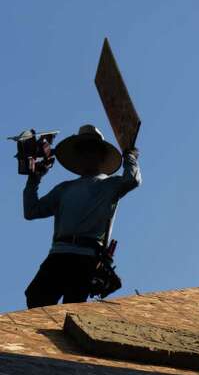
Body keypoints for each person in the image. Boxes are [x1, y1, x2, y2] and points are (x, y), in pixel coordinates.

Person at [22, 124, 140, 308]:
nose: (87, 155)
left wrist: (130, 157)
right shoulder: (64, 188)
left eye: (91, 150)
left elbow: (132, 179)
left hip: (86, 257)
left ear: (100, 156)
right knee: (36, 299)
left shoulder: (109, 185)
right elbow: (31, 211)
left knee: (74, 306)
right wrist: (34, 180)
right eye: (83, 151)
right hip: (59, 254)